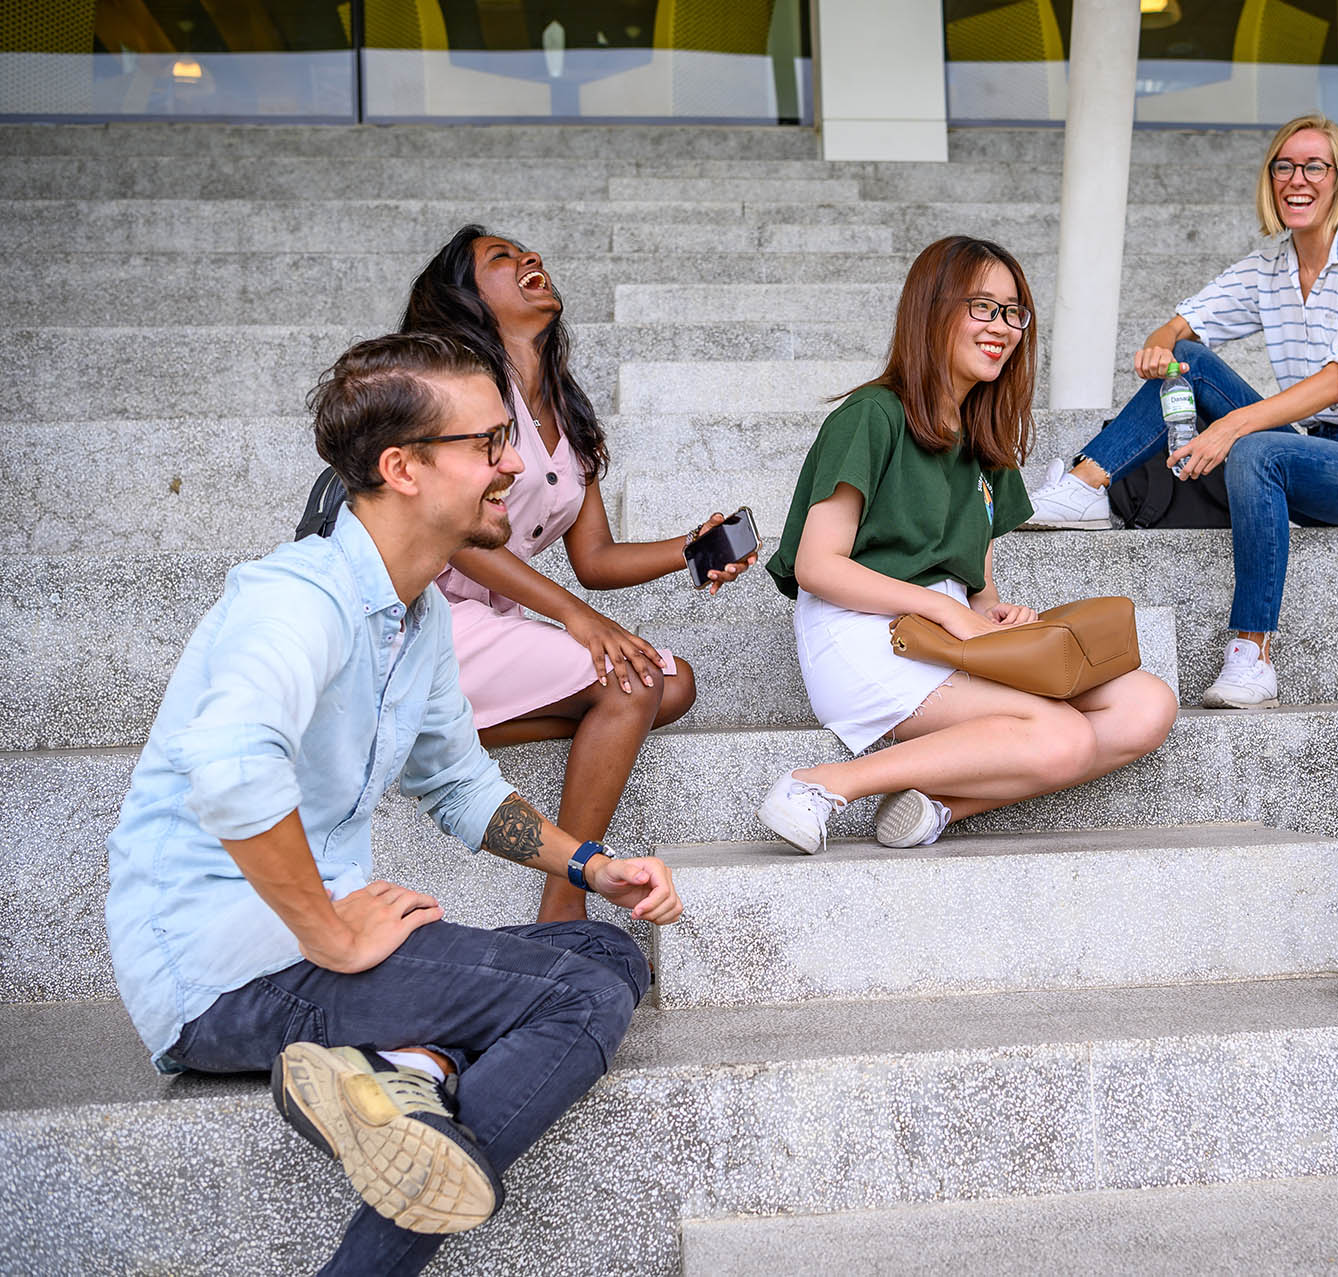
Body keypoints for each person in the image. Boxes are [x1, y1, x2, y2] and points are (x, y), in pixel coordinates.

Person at [105, 333, 684, 1276]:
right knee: (577, 998)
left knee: (602, 946)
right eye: (488, 444)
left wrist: (589, 866)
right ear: (400, 466)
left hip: (305, 953)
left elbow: (460, 785)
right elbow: (228, 766)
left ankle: (410, 1073)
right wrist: (329, 932)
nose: (511, 466)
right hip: (222, 976)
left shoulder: (414, 618)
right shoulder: (296, 598)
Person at [758, 235, 1177, 854]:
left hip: (946, 636)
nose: (1002, 326)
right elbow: (819, 566)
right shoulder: (872, 416)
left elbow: (978, 588)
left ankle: (938, 807)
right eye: (982, 306)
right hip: (866, 635)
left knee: (1147, 704)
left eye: (1012, 312)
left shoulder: (985, 433)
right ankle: (819, 785)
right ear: (933, 310)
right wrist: (950, 610)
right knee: (1064, 736)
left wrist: (990, 612)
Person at [403, 224, 753, 924]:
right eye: (501, 260)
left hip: (492, 623)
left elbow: (595, 558)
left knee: (672, 682)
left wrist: (692, 546)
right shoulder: (461, 394)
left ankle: (427, 728)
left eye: (527, 250)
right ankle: (565, 901)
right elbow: (455, 536)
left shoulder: (564, 408)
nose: (530, 258)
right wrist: (573, 617)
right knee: (634, 680)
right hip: (424, 616)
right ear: (467, 299)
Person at [1021, 112, 1338, 710]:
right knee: (1192, 360)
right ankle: (1087, 483)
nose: (1298, 179)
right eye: (1284, 166)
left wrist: (1233, 426)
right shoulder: (1269, 270)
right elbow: (1183, 324)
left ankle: (1253, 653)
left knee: (1257, 448)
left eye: (1315, 165)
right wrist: (1160, 346)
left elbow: (1337, 383)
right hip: (1309, 450)